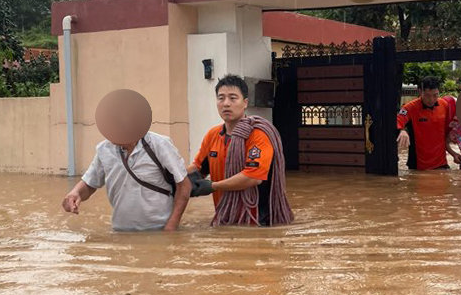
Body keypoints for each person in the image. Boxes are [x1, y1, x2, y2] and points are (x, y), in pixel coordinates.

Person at [62, 90, 191, 231]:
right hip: (121, 232)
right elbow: (90, 184)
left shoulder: (160, 145)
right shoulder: (104, 150)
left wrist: (171, 226)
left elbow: (184, 186)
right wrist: (75, 193)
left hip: (160, 230)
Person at [188, 74, 293, 226]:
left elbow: (253, 177)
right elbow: (198, 169)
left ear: (245, 103)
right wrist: (175, 177)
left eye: (232, 98)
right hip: (226, 217)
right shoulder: (213, 135)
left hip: (257, 221)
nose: (226, 104)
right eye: (221, 98)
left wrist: (213, 186)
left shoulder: (258, 135)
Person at [396, 76, 451, 170]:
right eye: (427, 95)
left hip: (441, 164)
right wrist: (402, 130)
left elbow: (448, 131)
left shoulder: (444, 105)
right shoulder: (409, 108)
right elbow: (397, 120)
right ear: (420, 91)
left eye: (435, 95)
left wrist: (453, 153)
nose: (431, 100)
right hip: (418, 166)